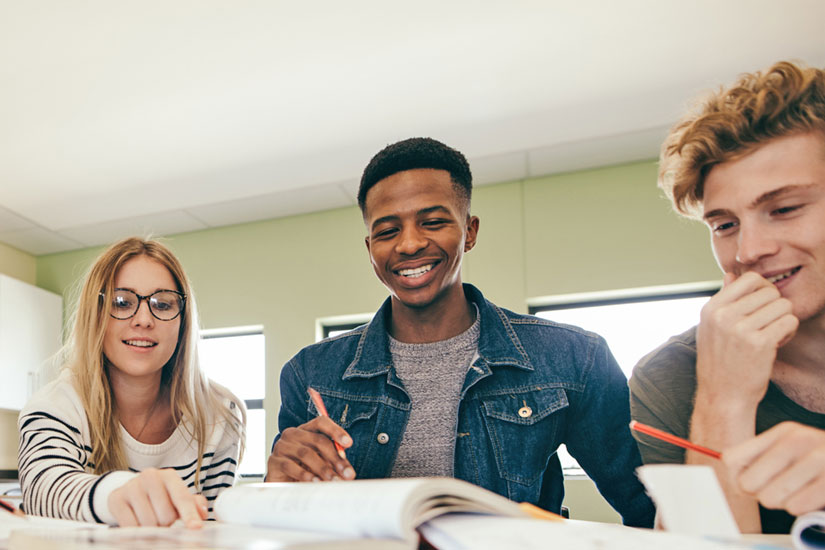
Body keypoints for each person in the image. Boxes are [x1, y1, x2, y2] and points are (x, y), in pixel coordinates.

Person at [266, 137, 655, 527]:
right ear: (370, 248)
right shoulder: (311, 374)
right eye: (387, 231)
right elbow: (288, 521)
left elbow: (650, 509)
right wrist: (276, 489)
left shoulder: (573, 357)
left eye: (433, 222)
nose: (410, 243)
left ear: (469, 231)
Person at [629, 61, 825, 533]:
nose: (749, 251)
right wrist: (722, 399)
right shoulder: (670, 375)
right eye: (725, 225)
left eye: (784, 209)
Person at [18, 237, 245, 527]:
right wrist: (118, 495)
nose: (143, 319)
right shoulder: (56, 406)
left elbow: (212, 529)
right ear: (95, 315)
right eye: (122, 302)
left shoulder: (219, 414)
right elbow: (43, 491)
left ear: (183, 321)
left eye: (162, 305)